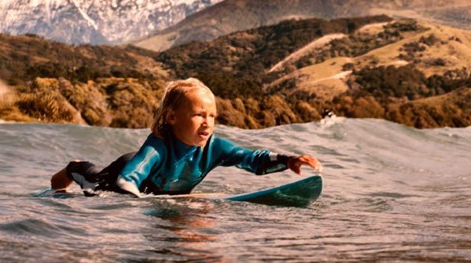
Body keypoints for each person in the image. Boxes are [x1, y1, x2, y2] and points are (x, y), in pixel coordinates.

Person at [50, 78, 322, 197]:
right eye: (198, 115)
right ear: (171, 118)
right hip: (116, 176)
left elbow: (251, 159)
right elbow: (126, 180)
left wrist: (288, 160)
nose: (207, 123)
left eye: (212, 116)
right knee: (90, 178)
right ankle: (75, 166)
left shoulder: (214, 148)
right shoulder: (157, 148)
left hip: (158, 192)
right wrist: (140, 204)